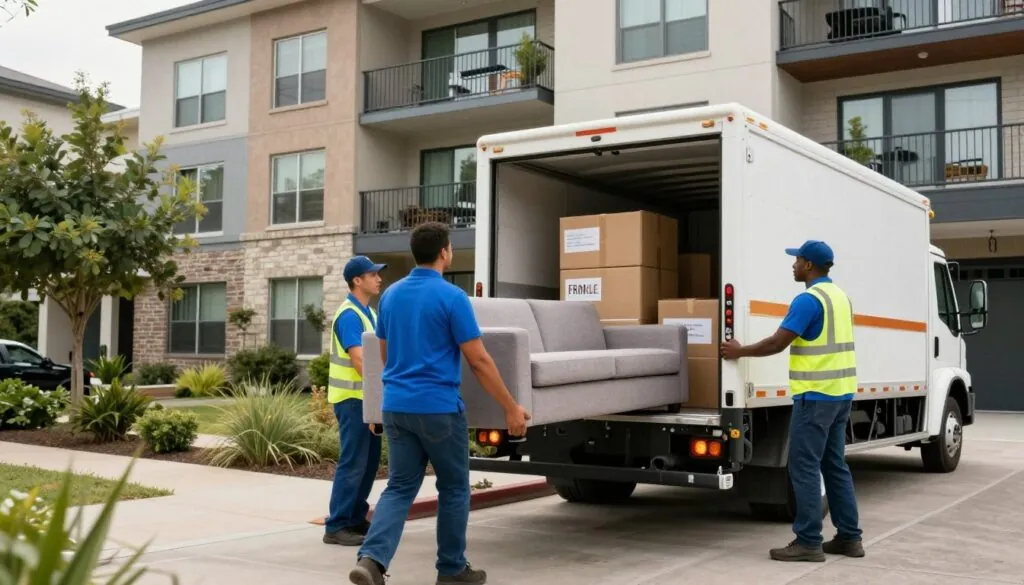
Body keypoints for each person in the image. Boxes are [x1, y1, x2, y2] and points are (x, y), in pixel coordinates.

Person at [348, 221, 531, 585]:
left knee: (400, 487)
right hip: (439, 410)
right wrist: (511, 406)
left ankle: (371, 561)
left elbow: (384, 355)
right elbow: (478, 360)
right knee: (453, 486)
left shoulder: (392, 296)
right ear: (445, 252)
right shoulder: (452, 297)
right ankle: (451, 569)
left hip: (397, 407)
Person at [720, 240, 864, 563]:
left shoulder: (808, 301)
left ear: (809, 265)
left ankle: (809, 541)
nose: (793, 265)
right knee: (835, 465)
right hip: (841, 395)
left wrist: (738, 351)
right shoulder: (841, 298)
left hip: (815, 397)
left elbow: (777, 342)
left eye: (797, 260)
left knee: (803, 466)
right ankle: (850, 538)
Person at [323, 255, 387, 547]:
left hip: (366, 400)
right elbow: (360, 360)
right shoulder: (350, 315)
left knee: (369, 462)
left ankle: (355, 518)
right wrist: (382, 392)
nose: (379, 278)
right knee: (353, 462)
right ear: (357, 281)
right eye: (372, 274)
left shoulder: (368, 313)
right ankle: (336, 526)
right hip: (352, 400)